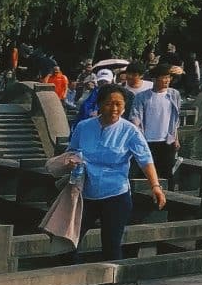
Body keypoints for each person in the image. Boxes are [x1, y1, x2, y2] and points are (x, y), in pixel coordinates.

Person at [69, 85, 165, 263]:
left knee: (111, 245)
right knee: (69, 242)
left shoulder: (130, 130)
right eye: (108, 104)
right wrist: (70, 161)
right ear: (99, 104)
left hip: (115, 194)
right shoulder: (83, 127)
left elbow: (145, 160)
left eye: (118, 104)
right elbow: (71, 151)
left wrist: (155, 186)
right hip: (85, 194)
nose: (114, 109)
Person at [135, 66, 184, 186]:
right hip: (147, 140)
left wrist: (176, 139)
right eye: (164, 78)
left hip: (167, 140)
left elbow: (175, 119)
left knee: (167, 173)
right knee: (146, 173)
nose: (167, 81)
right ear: (155, 79)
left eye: (168, 78)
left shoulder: (174, 94)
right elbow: (136, 118)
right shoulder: (142, 97)